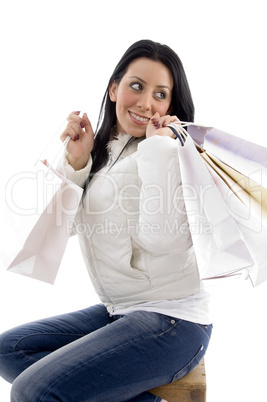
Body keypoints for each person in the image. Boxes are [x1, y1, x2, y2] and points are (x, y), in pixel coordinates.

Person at [0, 39, 212, 402]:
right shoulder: (106, 150)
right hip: (119, 311)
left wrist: (160, 148)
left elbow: (164, 240)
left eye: (160, 94)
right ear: (114, 88)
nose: (146, 102)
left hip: (174, 322)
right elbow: (60, 230)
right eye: (136, 86)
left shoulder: (170, 150)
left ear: (171, 106)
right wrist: (79, 164)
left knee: (32, 391)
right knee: (9, 350)